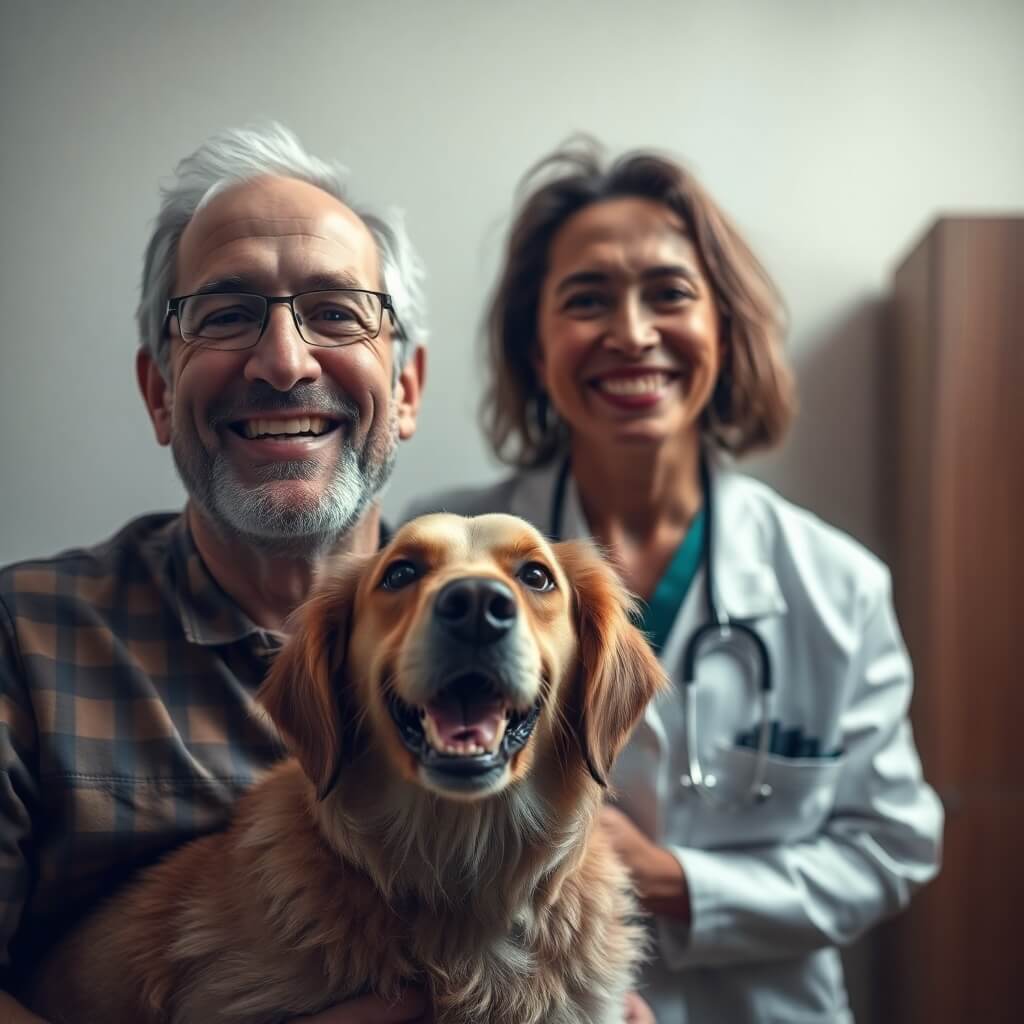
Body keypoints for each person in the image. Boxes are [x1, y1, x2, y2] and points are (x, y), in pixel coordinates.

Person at [408, 140, 944, 1023]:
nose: (630, 332)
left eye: (670, 294)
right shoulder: (436, 562)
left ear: (723, 333)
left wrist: (677, 885)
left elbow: (889, 847)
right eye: (586, 300)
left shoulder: (836, 586)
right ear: (535, 351)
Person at [0, 124, 430, 1023]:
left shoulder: (512, 637)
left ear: (409, 388)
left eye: (337, 311)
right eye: (226, 314)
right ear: (160, 392)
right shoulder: (24, 640)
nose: (283, 362)